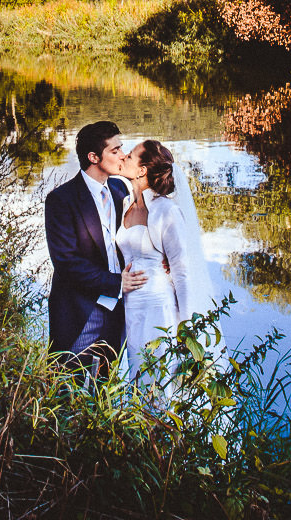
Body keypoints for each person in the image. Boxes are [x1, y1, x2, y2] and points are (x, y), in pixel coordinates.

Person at [44, 120, 147, 379]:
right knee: (67, 389)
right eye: (115, 151)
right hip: (81, 311)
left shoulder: (119, 189)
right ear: (93, 157)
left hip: (119, 311)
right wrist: (115, 283)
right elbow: (66, 262)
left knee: (104, 388)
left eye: (121, 149)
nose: (123, 155)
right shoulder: (61, 200)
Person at [116, 139, 221, 389]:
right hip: (130, 308)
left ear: (142, 170)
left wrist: (187, 328)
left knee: (161, 382)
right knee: (138, 379)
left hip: (158, 308)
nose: (123, 158)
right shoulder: (125, 205)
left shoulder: (166, 211)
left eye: (129, 156)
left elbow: (182, 273)